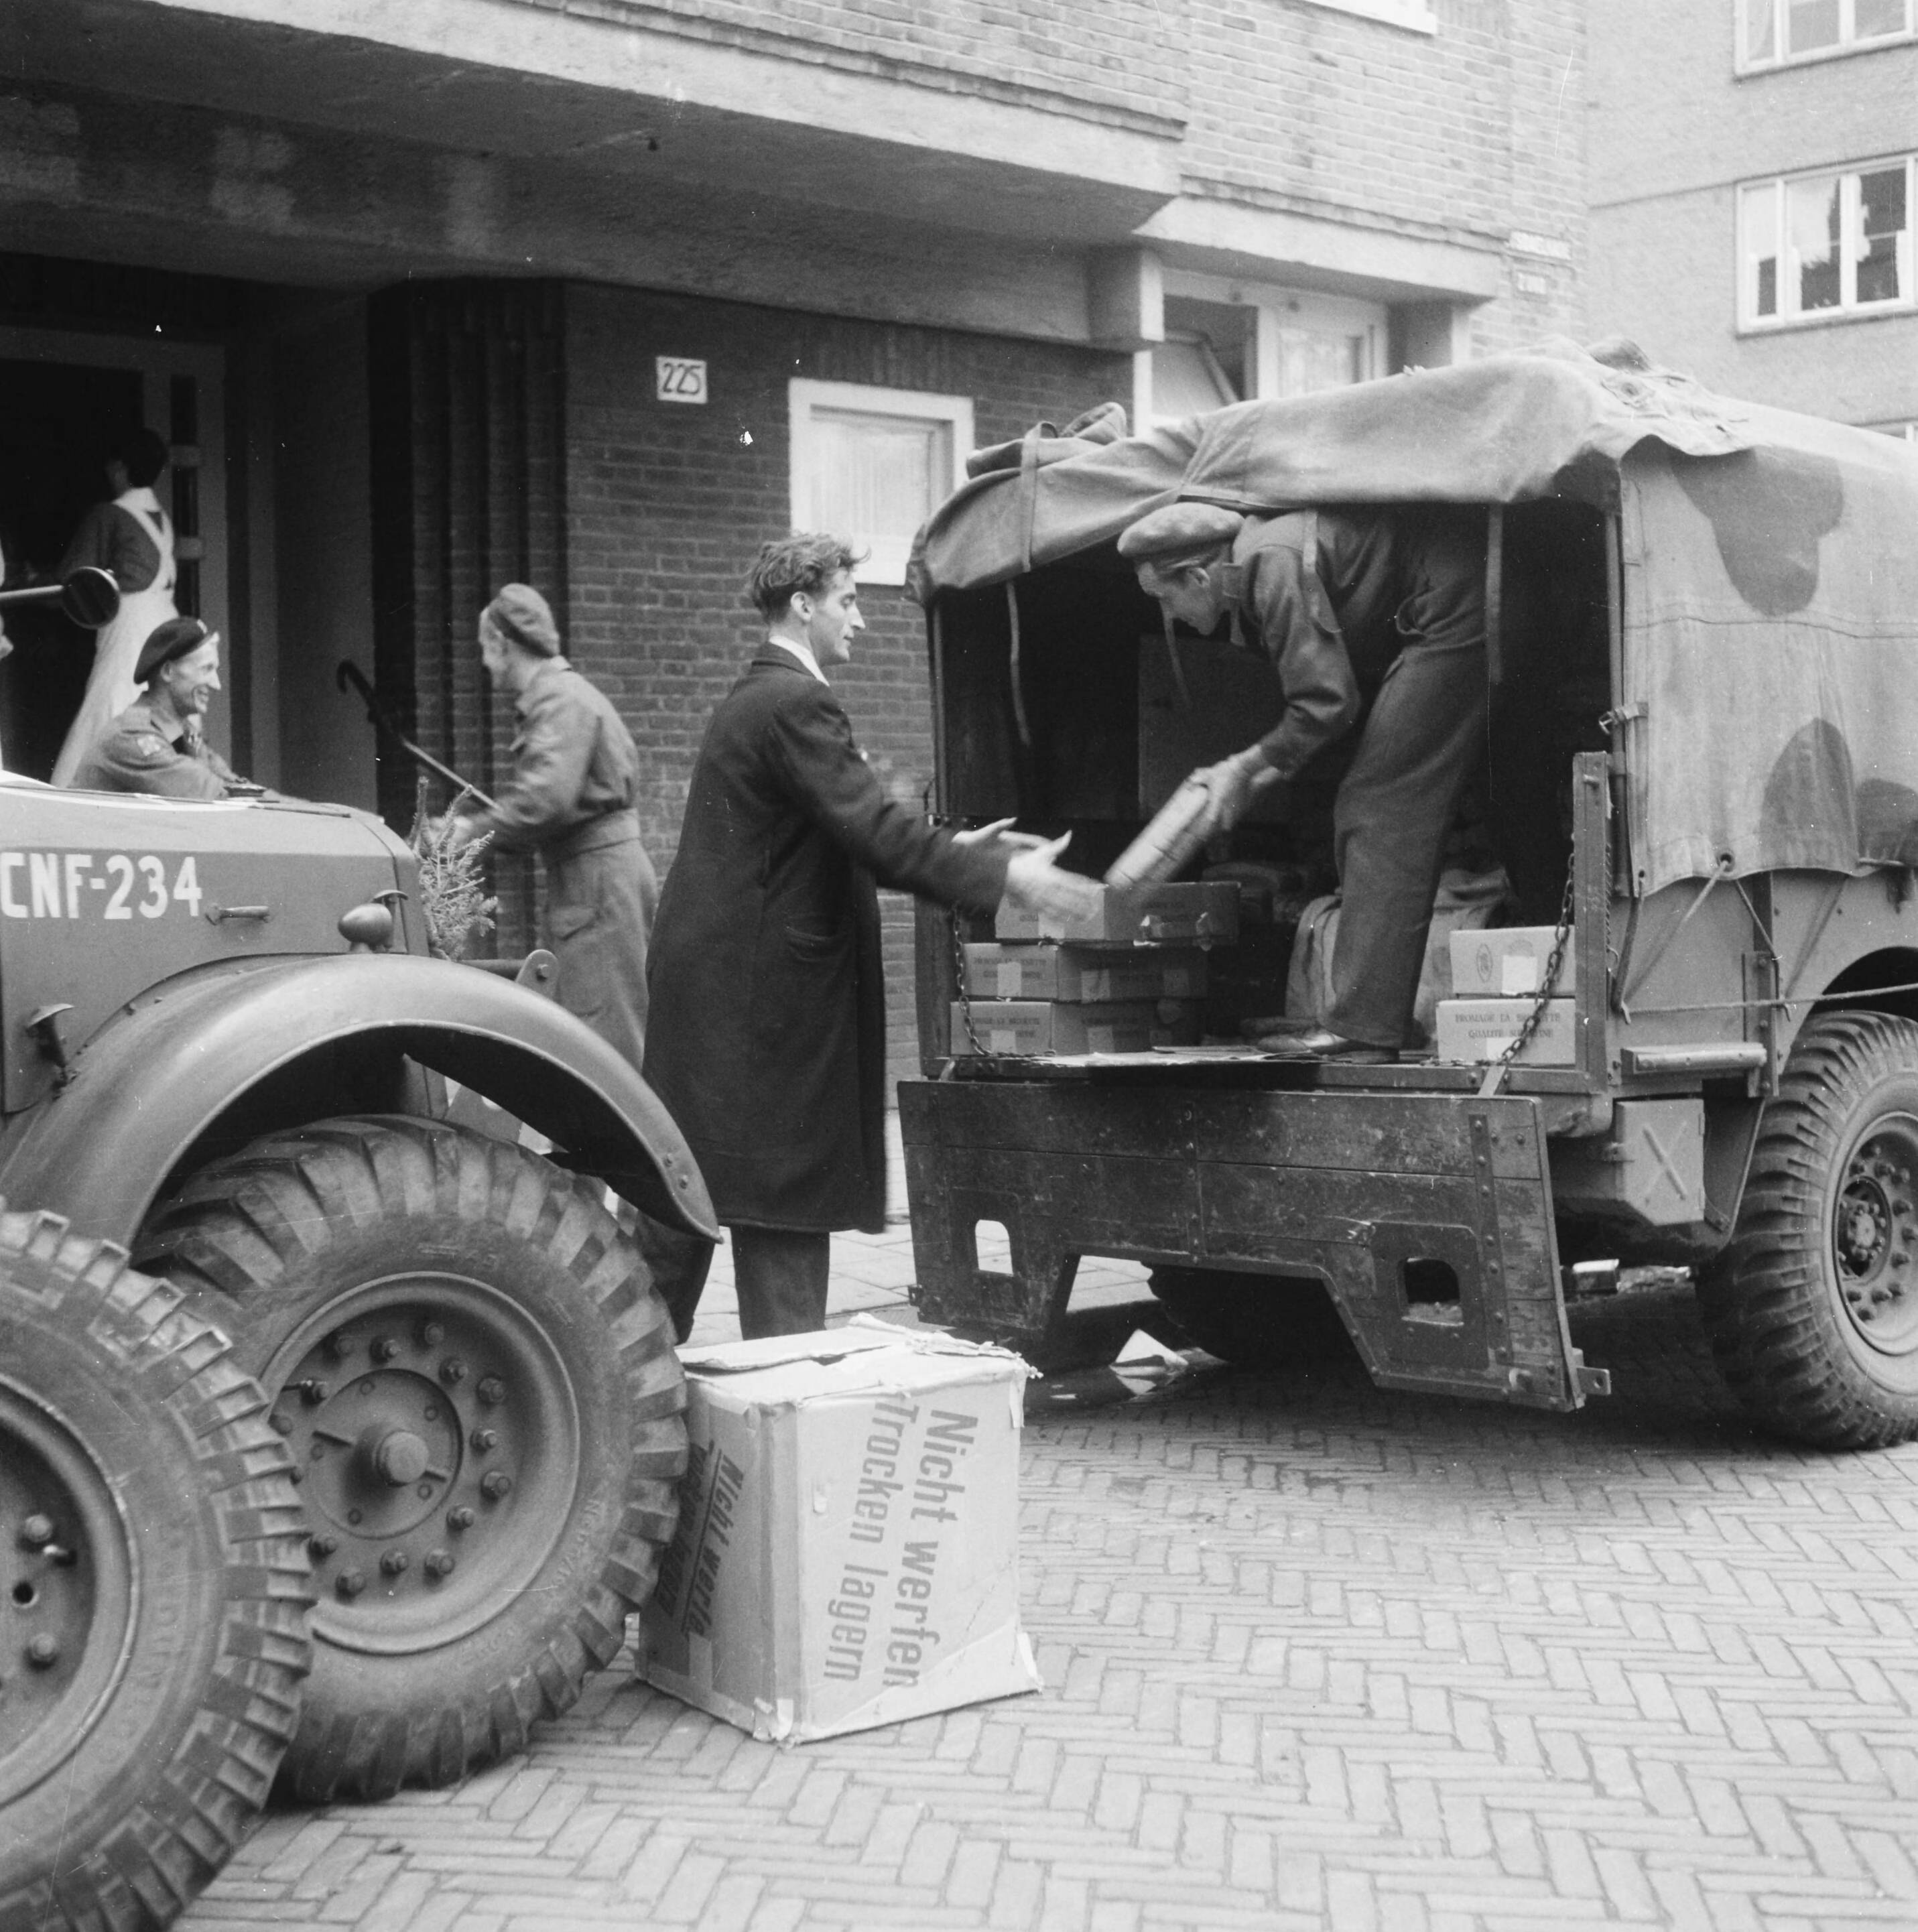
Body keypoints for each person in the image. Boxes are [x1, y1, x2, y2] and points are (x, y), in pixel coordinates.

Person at [643, 533, 1097, 1341]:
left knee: (686, 1193)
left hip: (725, 999)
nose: (860, 620)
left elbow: (837, 827)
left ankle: (618, 1373)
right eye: (848, 601)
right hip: (766, 1011)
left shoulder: (758, 698)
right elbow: (871, 831)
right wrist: (1004, 876)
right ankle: (785, 1390)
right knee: (779, 1195)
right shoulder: (798, 703)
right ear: (803, 605)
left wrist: (959, 849)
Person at [1120, 499, 1488, 1061]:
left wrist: (1242, 769)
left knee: (1377, 806)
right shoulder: (1259, 560)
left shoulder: (1269, 563)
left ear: (1198, 577)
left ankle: (1366, 1030)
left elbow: (1326, 704)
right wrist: (1252, 776)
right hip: (1474, 595)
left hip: (1457, 609)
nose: (1167, 615)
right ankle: (1380, 1017)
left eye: (1164, 598)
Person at [447, 584, 657, 1072]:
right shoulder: (563, 696)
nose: (484, 663)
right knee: (596, 1034)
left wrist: (468, 833)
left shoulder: (559, 699)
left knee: (605, 1043)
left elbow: (546, 800)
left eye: (483, 647)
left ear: (501, 642)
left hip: (598, 883)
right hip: (596, 879)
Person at [52, 428, 178, 787]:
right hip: (163, 621)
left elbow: (70, 581)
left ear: (120, 467)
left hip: (130, 628)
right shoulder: (162, 519)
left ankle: (77, 791)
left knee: (110, 705)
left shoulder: (108, 515)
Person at [68, 616, 246, 799]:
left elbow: (234, 785)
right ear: (168, 671)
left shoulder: (185, 734)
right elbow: (210, 792)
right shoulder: (131, 736)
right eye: (206, 669)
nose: (216, 685)